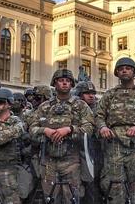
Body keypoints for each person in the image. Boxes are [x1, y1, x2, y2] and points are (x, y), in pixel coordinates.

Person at [95, 57, 135, 204]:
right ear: (117, 73)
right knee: (115, 189)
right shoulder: (109, 95)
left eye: (128, 68)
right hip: (114, 147)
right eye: (121, 68)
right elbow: (98, 116)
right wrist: (103, 127)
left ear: (134, 72)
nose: (124, 70)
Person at [29, 69, 94, 203]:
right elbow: (31, 129)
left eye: (68, 81)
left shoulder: (80, 105)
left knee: (72, 198)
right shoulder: (45, 107)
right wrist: (45, 130)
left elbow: (89, 129)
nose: (64, 83)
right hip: (48, 161)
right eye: (61, 80)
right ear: (55, 83)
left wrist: (69, 129)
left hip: (72, 161)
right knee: (50, 199)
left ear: (72, 84)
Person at [74, 80, 102, 203]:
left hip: (95, 151)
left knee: (94, 186)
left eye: (93, 93)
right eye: (87, 93)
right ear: (79, 94)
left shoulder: (100, 109)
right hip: (76, 151)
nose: (91, 96)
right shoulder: (73, 108)